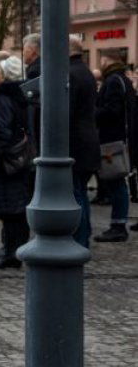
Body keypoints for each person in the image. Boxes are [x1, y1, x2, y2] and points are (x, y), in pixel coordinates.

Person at [0, 55, 33, 269]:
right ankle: (11, 249)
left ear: (4, 75)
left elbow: (2, 129)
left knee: (11, 209)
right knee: (17, 208)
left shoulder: (3, 98)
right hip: (20, 157)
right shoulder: (23, 95)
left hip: (8, 160)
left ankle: (11, 253)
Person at [93, 49, 135, 242]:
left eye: (101, 59)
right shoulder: (122, 79)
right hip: (120, 138)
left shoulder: (113, 81)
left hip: (113, 140)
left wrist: (93, 112)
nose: (99, 62)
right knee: (117, 182)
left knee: (117, 182)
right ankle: (118, 224)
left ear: (107, 60)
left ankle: (118, 226)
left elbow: (112, 111)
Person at [68, 36, 101, 248]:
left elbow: (68, 111)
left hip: (76, 143)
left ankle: (80, 239)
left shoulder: (71, 73)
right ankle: (84, 235)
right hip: (89, 140)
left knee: (76, 193)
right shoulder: (86, 72)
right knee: (79, 191)